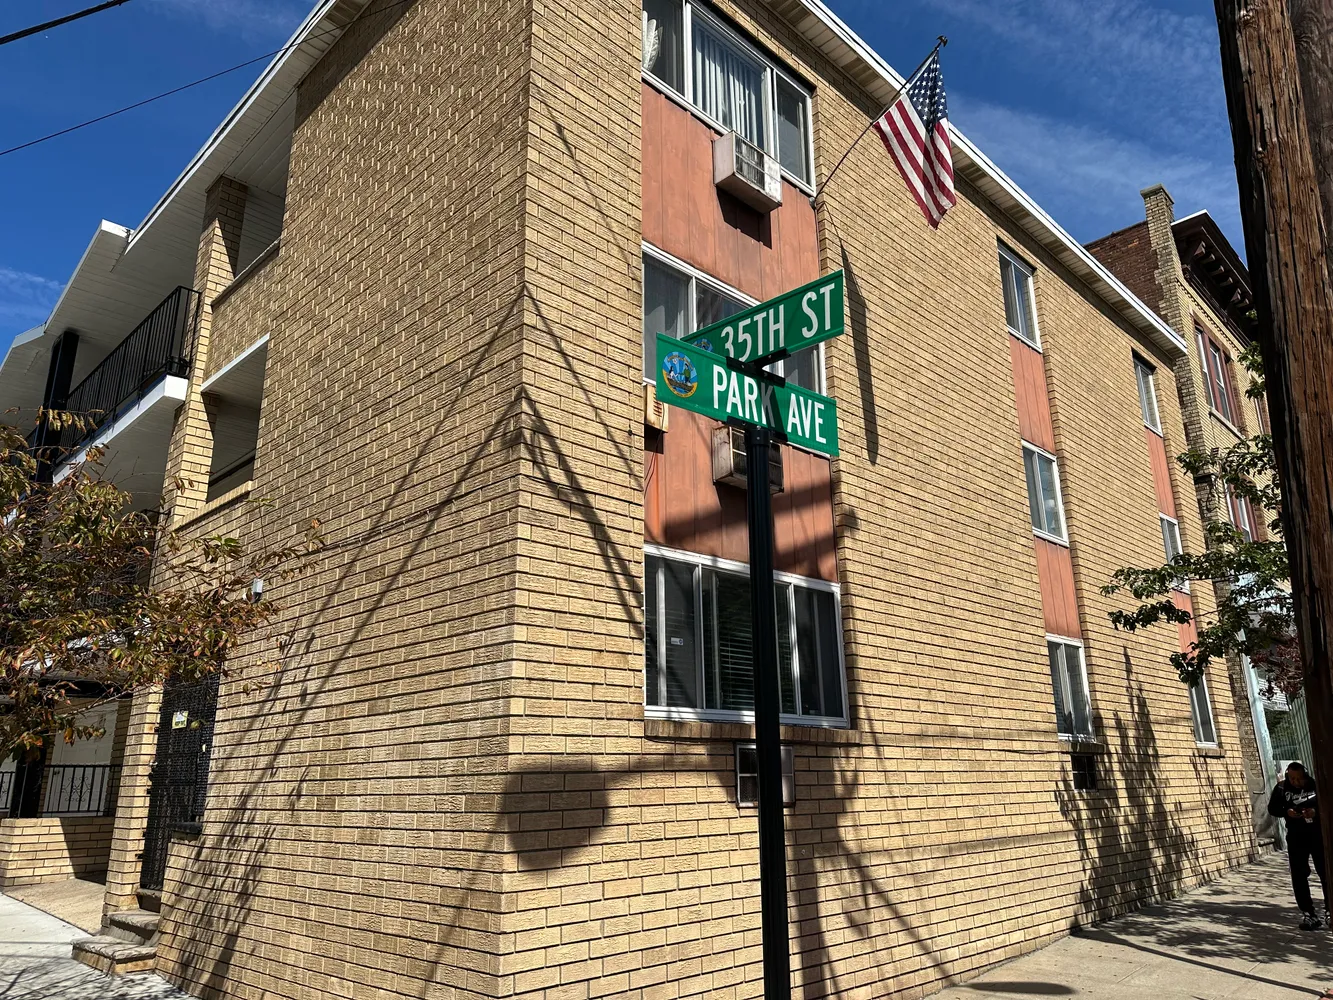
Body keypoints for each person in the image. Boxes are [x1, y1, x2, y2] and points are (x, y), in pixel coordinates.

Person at [1268, 761, 1328, 930]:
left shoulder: (1316, 785)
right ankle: (1309, 914)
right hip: (1296, 837)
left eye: (1298, 779)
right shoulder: (1281, 788)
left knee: (1326, 873)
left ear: (1305, 776)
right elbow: (1273, 809)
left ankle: (1329, 911)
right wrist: (1287, 812)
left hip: (1318, 836)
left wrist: (1315, 812)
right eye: (1292, 778)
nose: (1295, 782)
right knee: (1299, 876)